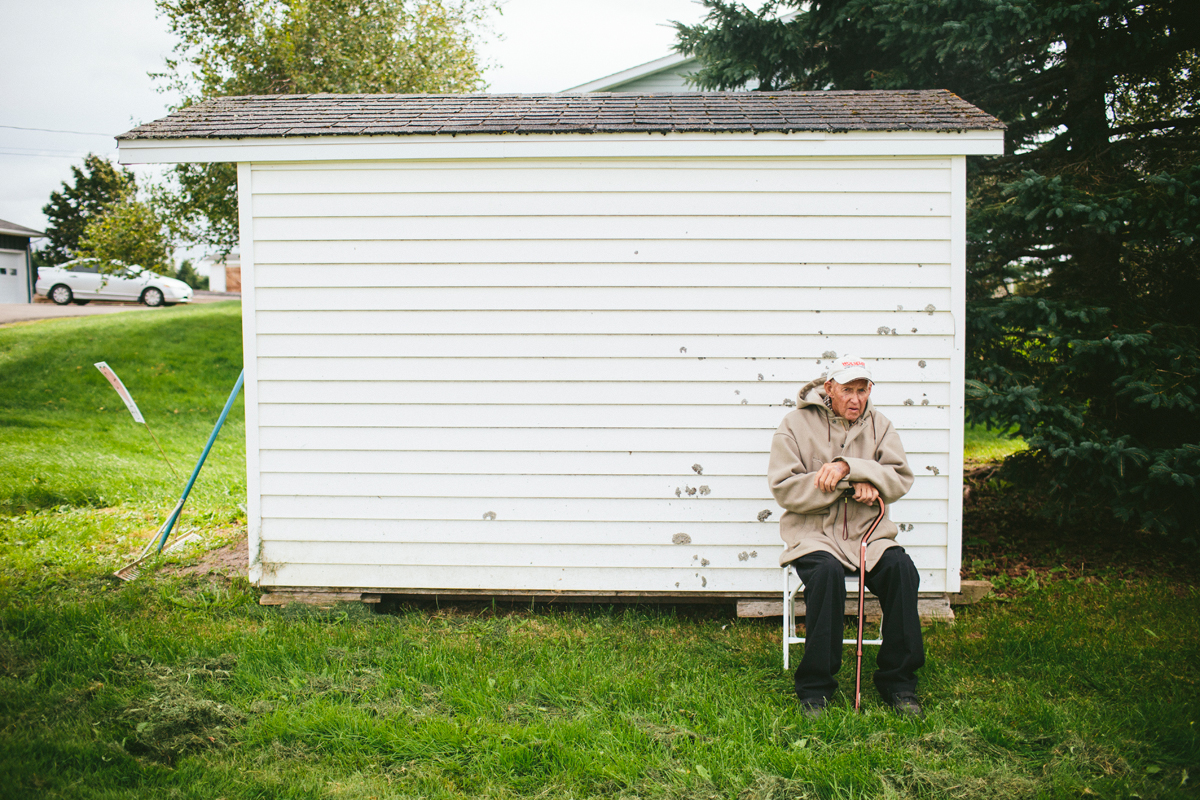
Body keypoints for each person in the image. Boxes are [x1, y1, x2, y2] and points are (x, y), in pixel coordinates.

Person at [767, 354, 923, 717]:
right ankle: (815, 689)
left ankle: (899, 684)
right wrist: (851, 484)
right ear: (829, 389)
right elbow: (784, 488)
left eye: (863, 390)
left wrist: (849, 467)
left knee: (902, 570)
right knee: (826, 575)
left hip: (870, 534)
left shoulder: (880, 425)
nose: (856, 399)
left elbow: (900, 477)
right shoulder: (793, 425)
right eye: (848, 390)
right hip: (815, 534)